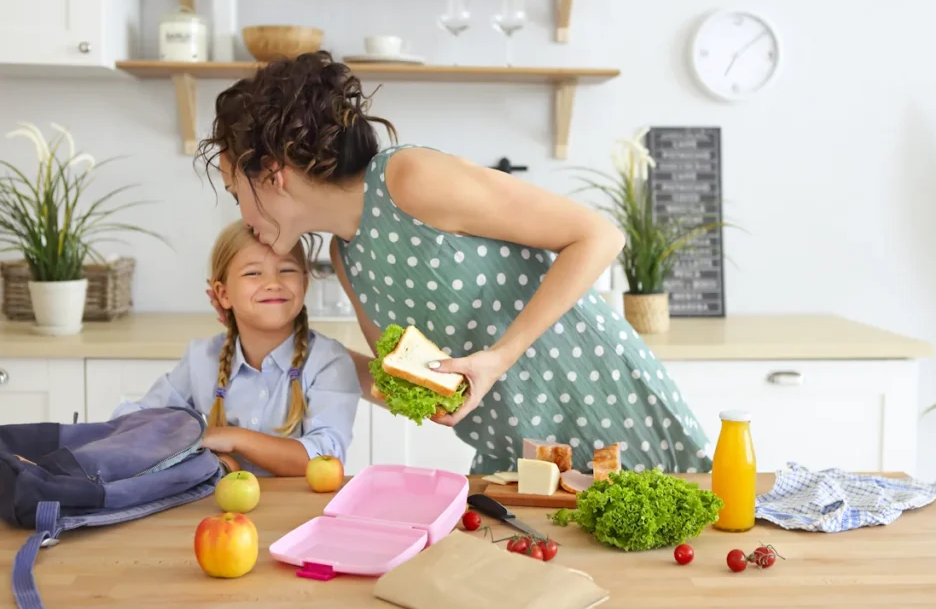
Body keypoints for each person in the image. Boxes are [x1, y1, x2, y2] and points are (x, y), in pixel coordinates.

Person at [196, 51, 714, 476]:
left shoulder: (408, 178)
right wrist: (288, 348)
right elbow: (405, 385)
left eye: (233, 189)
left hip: (602, 404)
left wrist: (501, 355)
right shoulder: (346, 257)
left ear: (273, 172)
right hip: (516, 454)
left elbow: (598, 236)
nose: (239, 212)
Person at [113, 220, 363, 477]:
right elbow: (135, 419)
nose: (272, 283)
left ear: (305, 284)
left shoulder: (328, 361)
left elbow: (325, 458)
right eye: (253, 273)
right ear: (223, 294)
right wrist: (199, 451)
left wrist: (233, 439)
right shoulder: (202, 358)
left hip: (302, 513)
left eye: (287, 270)